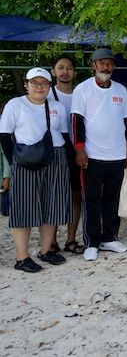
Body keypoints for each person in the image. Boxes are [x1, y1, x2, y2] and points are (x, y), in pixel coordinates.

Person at [0, 67, 71, 272]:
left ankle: (46, 250)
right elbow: (4, 135)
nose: (39, 87)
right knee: (24, 207)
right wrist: (14, 161)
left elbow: (64, 135)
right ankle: (22, 257)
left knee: (52, 203)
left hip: (55, 157)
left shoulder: (57, 106)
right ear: (26, 84)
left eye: (44, 83)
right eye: (35, 82)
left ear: (50, 85)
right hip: (25, 159)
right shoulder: (15, 104)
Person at [71, 48, 127, 261]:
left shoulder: (121, 90)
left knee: (112, 197)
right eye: (101, 63)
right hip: (92, 155)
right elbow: (76, 121)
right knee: (91, 199)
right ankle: (91, 242)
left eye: (109, 63)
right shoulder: (82, 89)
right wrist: (79, 148)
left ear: (113, 66)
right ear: (94, 66)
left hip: (117, 154)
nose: (105, 67)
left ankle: (110, 237)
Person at [47, 56, 83, 255]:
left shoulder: (82, 93)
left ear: (75, 73)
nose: (65, 71)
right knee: (54, 195)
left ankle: (71, 239)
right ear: (53, 72)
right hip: (54, 150)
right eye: (60, 68)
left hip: (78, 148)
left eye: (69, 68)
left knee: (76, 194)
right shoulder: (47, 94)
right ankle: (51, 241)